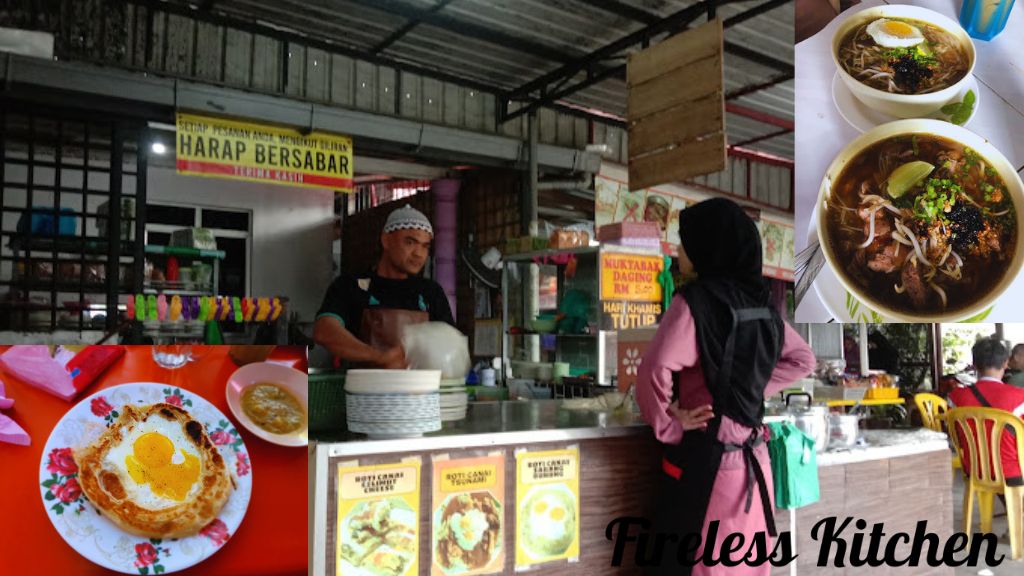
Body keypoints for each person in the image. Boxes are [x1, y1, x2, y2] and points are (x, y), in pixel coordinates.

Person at [636, 198, 815, 575]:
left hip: (711, 464)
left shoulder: (694, 303)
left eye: (685, 243)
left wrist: (668, 425)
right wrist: (745, 390)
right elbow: (803, 361)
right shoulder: (764, 305)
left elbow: (653, 368)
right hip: (755, 461)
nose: (679, 251)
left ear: (708, 248)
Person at [314, 204, 454, 368]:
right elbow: (324, 331)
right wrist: (379, 357)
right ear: (386, 240)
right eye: (410, 242)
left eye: (425, 246)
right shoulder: (350, 286)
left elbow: (448, 345)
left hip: (417, 391)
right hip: (360, 390)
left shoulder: (431, 292)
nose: (419, 254)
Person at [948, 338, 1024, 489]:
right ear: (1005, 363)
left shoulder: (955, 397)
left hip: (974, 470)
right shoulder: (1019, 397)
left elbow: (955, 434)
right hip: (1013, 472)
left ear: (975, 365)